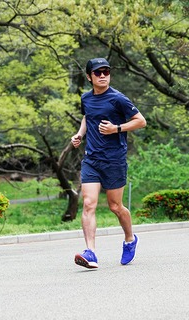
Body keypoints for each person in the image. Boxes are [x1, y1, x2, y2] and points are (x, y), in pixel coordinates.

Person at [71, 57, 146, 269]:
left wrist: (117, 128)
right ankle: (91, 253)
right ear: (89, 77)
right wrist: (79, 135)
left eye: (106, 71)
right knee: (88, 203)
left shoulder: (118, 99)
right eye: (98, 72)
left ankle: (130, 239)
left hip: (114, 159)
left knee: (115, 206)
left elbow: (141, 121)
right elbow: (88, 117)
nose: (103, 75)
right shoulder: (86, 99)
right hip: (92, 159)